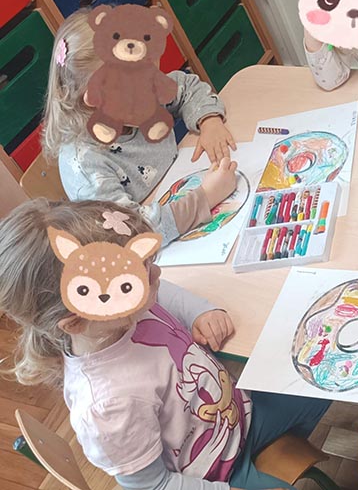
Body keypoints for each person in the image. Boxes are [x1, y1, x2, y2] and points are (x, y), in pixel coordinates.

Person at [0, 198, 329, 490]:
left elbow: (163, 290)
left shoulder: (120, 309)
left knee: (321, 378)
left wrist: (200, 311)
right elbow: (153, 484)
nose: (155, 272)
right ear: (76, 321)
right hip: (215, 475)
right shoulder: (107, 407)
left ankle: (283, 447)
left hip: (239, 417)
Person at [44, 10, 237, 247]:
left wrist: (209, 121)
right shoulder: (86, 165)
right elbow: (133, 231)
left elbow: (185, 87)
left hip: (178, 189)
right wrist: (204, 199)